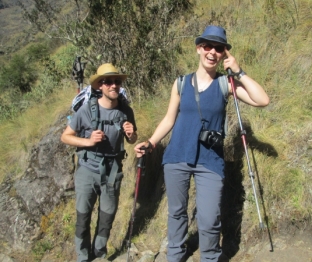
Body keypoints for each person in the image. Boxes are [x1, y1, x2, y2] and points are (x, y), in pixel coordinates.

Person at [134, 25, 269, 262]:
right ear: (199, 48)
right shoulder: (181, 84)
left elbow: (262, 100)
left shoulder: (225, 84)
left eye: (219, 48)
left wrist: (239, 72)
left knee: (208, 218)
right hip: (177, 155)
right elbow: (169, 118)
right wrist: (151, 142)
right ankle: (174, 256)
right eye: (207, 46)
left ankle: (209, 257)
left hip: (210, 161)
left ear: (223, 53)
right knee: (176, 213)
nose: (212, 52)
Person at [61, 63, 138, 262]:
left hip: (113, 172)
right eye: (108, 82)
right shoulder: (86, 111)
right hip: (87, 170)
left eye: (117, 82)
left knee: (107, 217)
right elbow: (66, 136)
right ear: (100, 86)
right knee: (83, 217)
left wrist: (131, 135)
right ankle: (82, 257)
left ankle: (100, 255)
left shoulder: (126, 112)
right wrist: (87, 141)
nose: (113, 85)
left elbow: (132, 139)